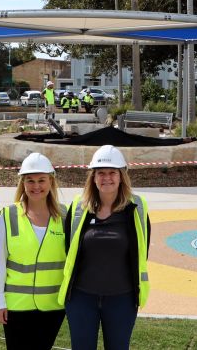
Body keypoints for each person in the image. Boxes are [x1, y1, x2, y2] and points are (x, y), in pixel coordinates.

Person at [58, 145, 150, 350]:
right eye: (101, 173)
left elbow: (142, 251)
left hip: (122, 300)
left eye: (112, 173)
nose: (106, 178)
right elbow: (69, 248)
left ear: (121, 176)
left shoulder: (137, 207)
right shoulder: (79, 207)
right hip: (81, 299)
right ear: (93, 176)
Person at [0, 153, 66, 350]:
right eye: (30, 181)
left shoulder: (65, 216)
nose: (36, 186)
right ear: (23, 184)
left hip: (53, 305)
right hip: (16, 306)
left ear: (51, 182)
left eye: (42, 180)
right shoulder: (9, 215)